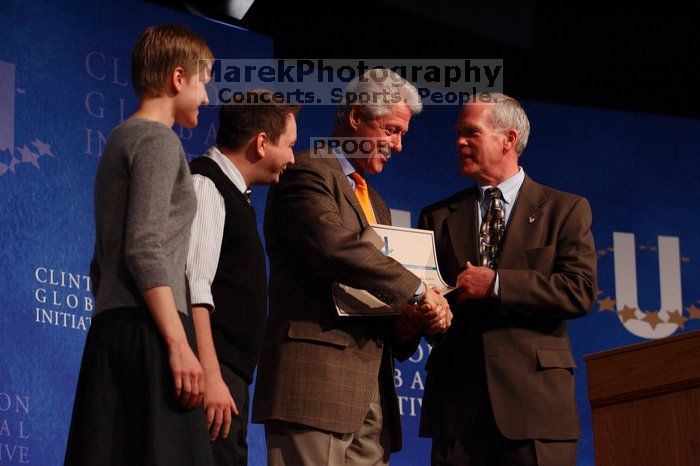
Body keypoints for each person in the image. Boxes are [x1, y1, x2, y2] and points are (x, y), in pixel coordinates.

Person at [252, 68, 451, 466]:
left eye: (402, 135)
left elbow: (371, 288)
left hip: (371, 393)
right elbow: (335, 249)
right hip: (315, 384)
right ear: (357, 116)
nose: (397, 145)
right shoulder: (306, 172)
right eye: (391, 130)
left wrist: (409, 321)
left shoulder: (373, 200)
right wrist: (416, 291)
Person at [418, 93, 597, 466]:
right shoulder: (437, 217)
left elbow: (579, 291)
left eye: (471, 133)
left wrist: (497, 284)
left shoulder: (565, 209)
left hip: (534, 406)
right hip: (457, 409)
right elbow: (435, 304)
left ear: (509, 139)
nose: (459, 142)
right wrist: (428, 317)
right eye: (457, 134)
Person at [64, 24, 215, 466]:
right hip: (152, 331)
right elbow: (145, 246)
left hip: (112, 333)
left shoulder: (119, 139)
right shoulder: (157, 141)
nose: (206, 97)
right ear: (178, 78)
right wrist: (177, 343)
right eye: (204, 82)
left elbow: (101, 263)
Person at [186, 90, 300, 465]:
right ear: (262, 143)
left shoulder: (235, 194)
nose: (293, 158)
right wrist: (211, 375)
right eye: (290, 146)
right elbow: (194, 285)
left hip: (228, 374)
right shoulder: (208, 185)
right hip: (211, 374)